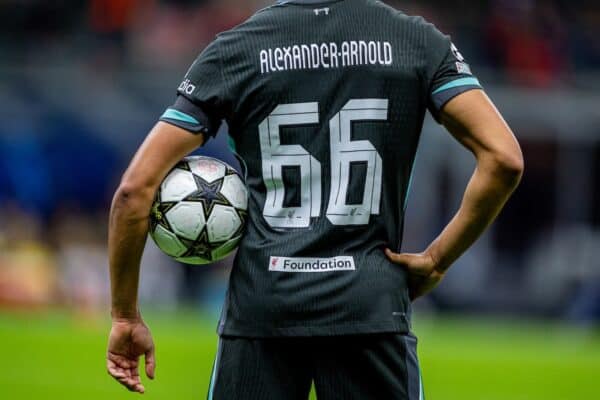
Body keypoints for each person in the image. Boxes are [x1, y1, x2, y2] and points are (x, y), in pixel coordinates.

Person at [106, 0, 524, 398]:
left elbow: (133, 191)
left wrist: (125, 315)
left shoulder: (236, 49)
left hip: (264, 305)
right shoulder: (417, 41)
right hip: (369, 305)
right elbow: (504, 160)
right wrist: (437, 259)